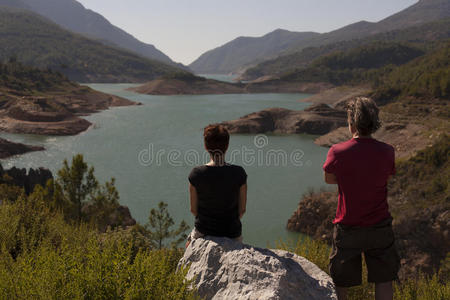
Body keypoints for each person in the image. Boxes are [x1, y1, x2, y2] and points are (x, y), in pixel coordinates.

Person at [323, 97, 400, 300]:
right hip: (380, 225)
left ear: (352, 123)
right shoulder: (387, 151)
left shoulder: (337, 151)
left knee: (341, 281)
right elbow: (387, 176)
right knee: (384, 280)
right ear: (374, 122)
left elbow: (329, 178)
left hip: (348, 226)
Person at [186, 124, 247, 247]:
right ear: (227, 146)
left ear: (205, 146)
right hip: (232, 233)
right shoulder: (239, 173)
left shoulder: (196, 174)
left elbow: (193, 210)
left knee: (188, 244)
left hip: (203, 232)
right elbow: (241, 211)